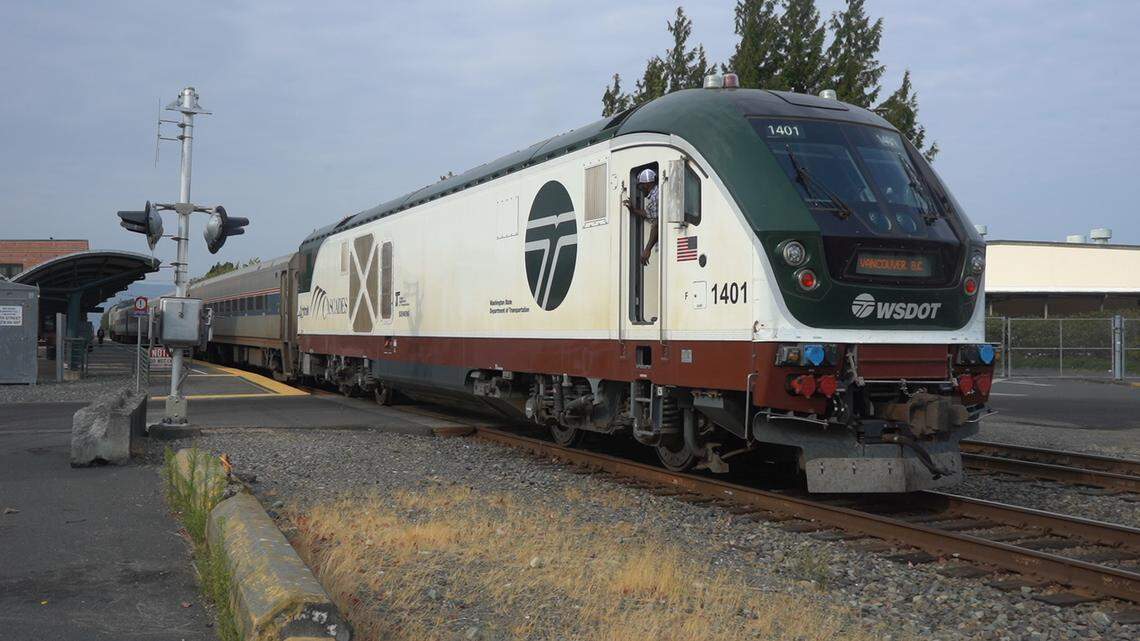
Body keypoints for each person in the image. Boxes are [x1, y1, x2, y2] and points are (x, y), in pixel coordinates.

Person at [623, 168, 659, 265]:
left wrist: (647, 249)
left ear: (647, 184)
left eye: (641, 186)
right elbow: (649, 213)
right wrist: (634, 210)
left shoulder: (655, 197)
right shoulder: (657, 193)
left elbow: (656, 224)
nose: (641, 189)